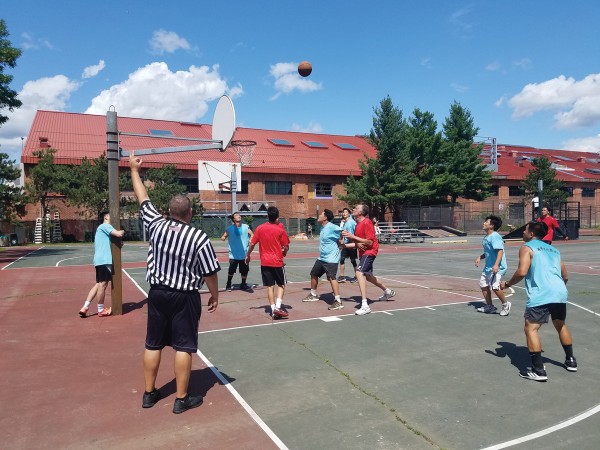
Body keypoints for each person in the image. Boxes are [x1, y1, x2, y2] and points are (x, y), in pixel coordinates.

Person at [129, 152, 220, 414]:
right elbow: (210, 273)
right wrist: (215, 295)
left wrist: (135, 170)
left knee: (153, 342)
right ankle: (181, 399)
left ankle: (149, 394)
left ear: (168, 212)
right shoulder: (199, 237)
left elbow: (143, 198)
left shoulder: (155, 225)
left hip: (157, 293)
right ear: (190, 213)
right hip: (185, 296)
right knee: (184, 346)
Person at [501, 221, 577, 381]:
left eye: (525, 230)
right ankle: (571, 360)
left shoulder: (527, 247)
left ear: (531, 234)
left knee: (531, 329)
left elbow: (522, 272)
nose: (523, 233)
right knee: (560, 324)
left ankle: (538, 370)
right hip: (559, 292)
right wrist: (558, 289)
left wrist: (507, 284)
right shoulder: (554, 250)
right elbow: (566, 275)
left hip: (542, 294)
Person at [341, 204, 395, 316]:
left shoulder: (367, 222)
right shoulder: (357, 225)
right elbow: (359, 244)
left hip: (370, 252)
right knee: (369, 277)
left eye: (356, 208)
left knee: (359, 272)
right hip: (363, 253)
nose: (353, 209)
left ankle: (365, 306)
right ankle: (388, 291)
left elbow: (370, 242)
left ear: (361, 212)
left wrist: (352, 236)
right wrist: (344, 246)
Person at [245, 206, 290, 319]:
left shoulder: (260, 228)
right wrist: (284, 252)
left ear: (267, 216)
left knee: (270, 286)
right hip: (277, 262)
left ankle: (273, 308)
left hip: (265, 262)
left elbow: (252, 244)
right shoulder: (280, 229)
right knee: (281, 285)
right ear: (277, 217)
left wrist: (248, 255)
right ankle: (277, 307)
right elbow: (286, 246)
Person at [79, 212, 125, 318]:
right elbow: (118, 234)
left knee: (98, 285)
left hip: (100, 260)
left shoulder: (103, 230)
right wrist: (123, 231)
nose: (112, 217)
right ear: (105, 217)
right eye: (110, 215)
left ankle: (85, 307)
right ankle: (100, 310)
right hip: (104, 260)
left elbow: (111, 242)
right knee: (103, 285)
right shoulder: (105, 226)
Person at [303, 209, 345, 310]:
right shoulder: (323, 228)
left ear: (325, 218)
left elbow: (343, 232)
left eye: (321, 214)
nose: (319, 215)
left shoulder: (331, 226)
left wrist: (343, 243)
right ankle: (313, 295)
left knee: (331, 278)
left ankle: (338, 301)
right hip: (322, 258)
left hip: (331, 258)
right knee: (314, 274)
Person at [474, 215, 511, 316]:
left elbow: (500, 251)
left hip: (497, 267)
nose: (484, 223)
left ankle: (506, 304)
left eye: (486, 222)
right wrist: (480, 257)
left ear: (492, 226)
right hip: (488, 267)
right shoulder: (487, 237)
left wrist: (496, 265)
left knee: (495, 287)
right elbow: (489, 252)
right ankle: (490, 306)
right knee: (483, 285)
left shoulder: (495, 236)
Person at [221, 212, 254, 291]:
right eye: (236, 215)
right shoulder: (229, 229)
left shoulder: (246, 227)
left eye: (239, 215)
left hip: (244, 254)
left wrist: (250, 239)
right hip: (233, 254)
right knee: (231, 270)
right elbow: (224, 236)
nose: (239, 216)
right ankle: (228, 283)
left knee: (245, 270)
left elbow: (252, 234)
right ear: (233, 219)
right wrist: (223, 237)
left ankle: (243, 284)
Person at [338, 207, 358, 283]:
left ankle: (357, 276)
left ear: (349, 213)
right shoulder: (345, 223)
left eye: (346, 212)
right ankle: (342, 276)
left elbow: (350, 235)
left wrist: (352, 245)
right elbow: (343, 234)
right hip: (346, 244)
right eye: (343, 212)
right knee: (342, 259)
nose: (344, 213)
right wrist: (342, 243)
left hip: (351, 243)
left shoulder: (350, 223)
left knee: (353, 260)